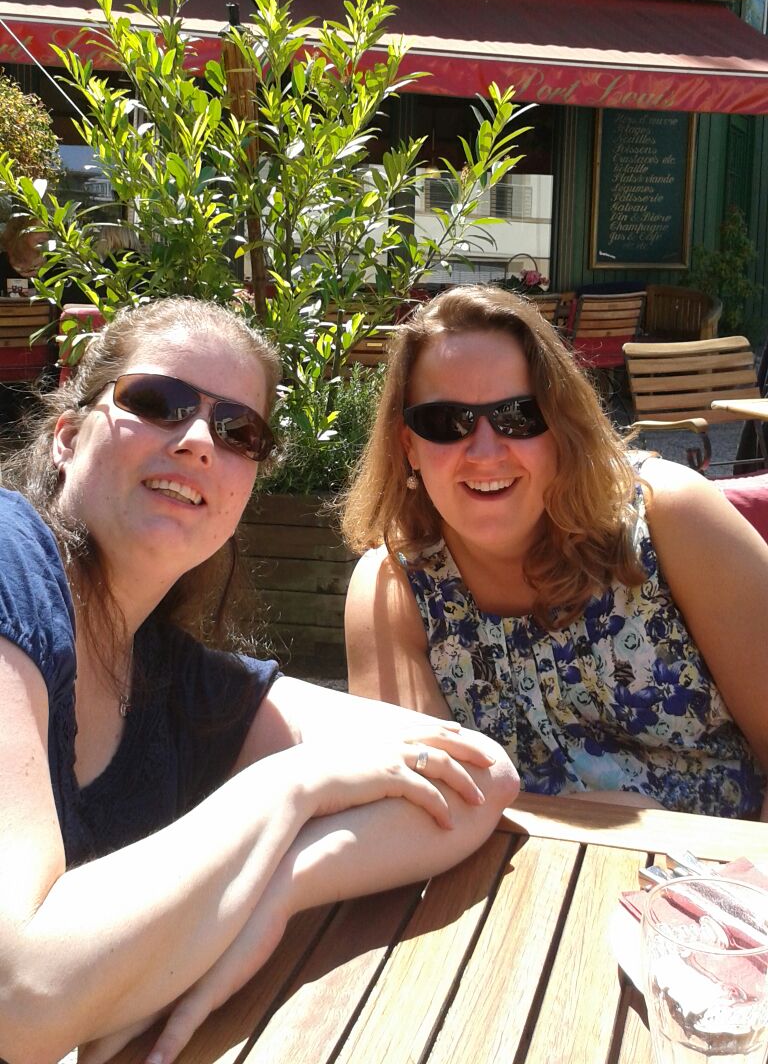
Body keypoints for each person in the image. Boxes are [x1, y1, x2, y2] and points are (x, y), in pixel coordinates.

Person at [0, 297, 518, 1064]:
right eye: (157, 401)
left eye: (239, 431)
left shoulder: (174, 680)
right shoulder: (9, 562)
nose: (198, 441)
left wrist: (275, 895)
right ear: (68, 436)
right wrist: (290, 786)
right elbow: (21, 999)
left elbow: (480, 777)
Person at [343, 285, 768, 821]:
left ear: (561, 425)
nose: (485, 451)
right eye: (446, 421)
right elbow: (415, 811)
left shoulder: (669, 517)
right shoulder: (392, 589)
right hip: (515, 872)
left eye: (519, 415)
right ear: (409, 445)